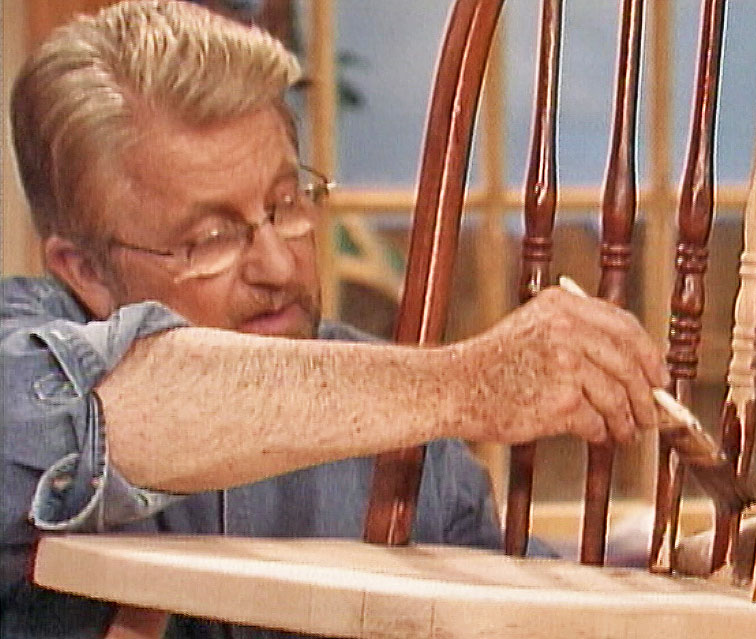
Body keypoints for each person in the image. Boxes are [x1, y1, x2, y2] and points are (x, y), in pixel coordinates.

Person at [1, 1, 668, 636]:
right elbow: (106, 410)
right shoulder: (19, 353)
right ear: (81, 269)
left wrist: (665, 578)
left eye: (287, 203)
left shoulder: (409, 441)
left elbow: (503, 602)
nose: (277, 264)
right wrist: (465, 383)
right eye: (209, 239)